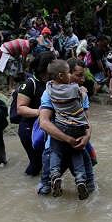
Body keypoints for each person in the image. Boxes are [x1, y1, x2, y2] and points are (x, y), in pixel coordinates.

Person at [38, 60, 92, 199]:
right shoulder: (78, 92)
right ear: (65, 75)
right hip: (68, 140)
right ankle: (79, 179)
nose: (82, 79)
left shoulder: (51, 89)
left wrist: (87, 137)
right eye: (78, 75)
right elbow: (43, 122)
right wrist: (69, 139)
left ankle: (57, 177)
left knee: (89, 185)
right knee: (46, 188)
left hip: (77, 140)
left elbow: (86, 120)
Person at [15, 52, 54, 176]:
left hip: (45, 127)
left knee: (47, 161)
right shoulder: (30, 84)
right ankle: (27, 187)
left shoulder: (52, 82)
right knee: (36, 163)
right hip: (29, 129)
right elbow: (20, 109)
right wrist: (42, 112)